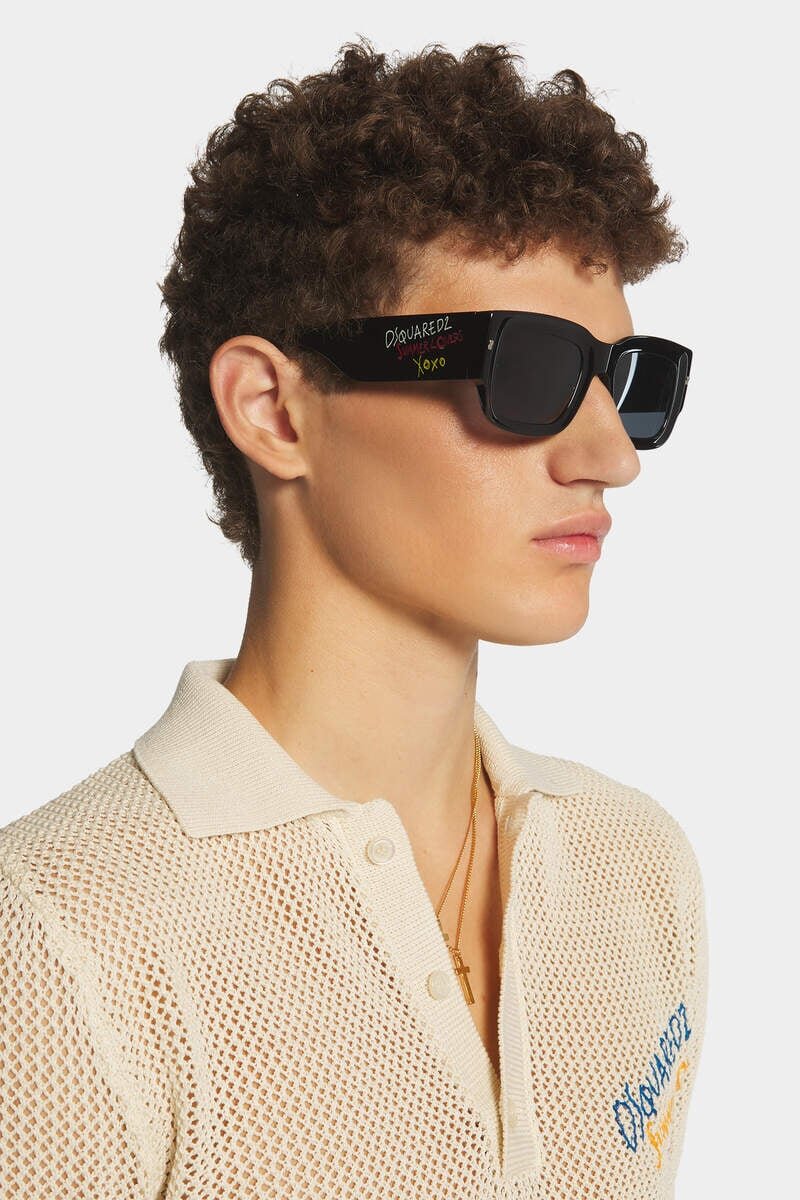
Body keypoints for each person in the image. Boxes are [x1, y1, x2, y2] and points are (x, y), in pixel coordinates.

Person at [0, 38, 707, 1199]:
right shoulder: (59, 934)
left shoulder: (632, 871)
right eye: (526, 373)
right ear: (274, 410)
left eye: (629, 382)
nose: (609, 457)